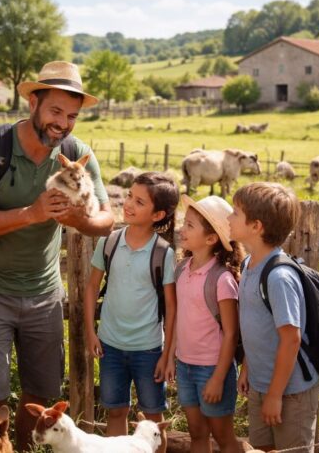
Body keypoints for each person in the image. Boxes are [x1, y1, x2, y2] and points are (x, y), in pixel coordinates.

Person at [0, 61, 113, 451]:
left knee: (41, 393)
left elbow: (106, 220)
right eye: (56, 111)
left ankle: (25, 449)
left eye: (72, 116)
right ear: (33, 102)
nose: (63, 123)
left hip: (43, 291)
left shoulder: (77, 154)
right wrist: (33, 213)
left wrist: (78, 218)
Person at [84, 172, 179, 453]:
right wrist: (90, 332)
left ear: (158, 214)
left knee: (153, 420)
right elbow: (91, 287)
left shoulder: (164, 253)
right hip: (110, 346)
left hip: (149, 350)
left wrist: (167, 354)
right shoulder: (109, 242)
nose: (128, 204)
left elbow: (172, 308)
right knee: (115, 412)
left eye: (139, 202)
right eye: (129, 196)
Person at [227, 182, 319, 451]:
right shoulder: (249, 264)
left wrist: (275, 395)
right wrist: (247, 367)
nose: (229, 218)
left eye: (235, 213)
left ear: (256, 226)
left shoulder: (279, 277)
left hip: (289, 393)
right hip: (261, 384)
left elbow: (291, 339)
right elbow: (256, 326)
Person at [168, 195, 244, 453]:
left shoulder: (222, 280)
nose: (182, 229)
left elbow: (231, 334)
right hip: (185, 366)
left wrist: (218, 379)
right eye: (184, 222)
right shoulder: (182, 269)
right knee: (196, 432)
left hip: (212, 369)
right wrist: (172, 357)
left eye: (190, 225)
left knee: (223, 437)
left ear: (211, 238)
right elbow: (178, 317)